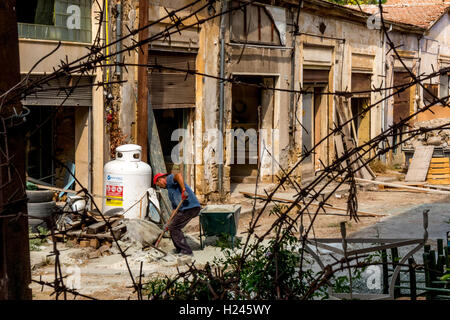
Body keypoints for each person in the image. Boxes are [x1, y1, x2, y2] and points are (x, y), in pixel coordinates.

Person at [153, 172, 201, 256]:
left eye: (158, 184)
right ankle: (179, 249)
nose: (160, 187)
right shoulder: (170, 192)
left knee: (174, 227)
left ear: (160, 179)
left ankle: (186, 251)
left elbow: (179, 175)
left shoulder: (169, 179)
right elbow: (175, 209)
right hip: (184, 209)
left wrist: (183, 190)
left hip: (190, 207)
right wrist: (168, 222)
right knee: (171, 226)